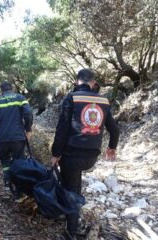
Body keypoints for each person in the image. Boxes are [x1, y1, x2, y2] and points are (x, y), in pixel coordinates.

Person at [51, 69, 120, 240]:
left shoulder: (72, 97)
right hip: (91, 157)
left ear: (77, 82)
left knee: (70, 190)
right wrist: (112, 147)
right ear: (93, 83)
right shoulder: (103, 101)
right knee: (75, 184)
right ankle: (71, 216)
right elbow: (114, 129)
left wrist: (55, 153)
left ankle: (71, 231)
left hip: (71, 154)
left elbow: (62, 128)